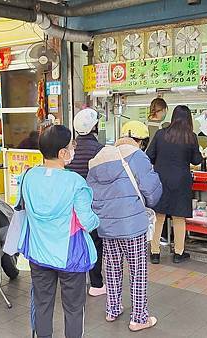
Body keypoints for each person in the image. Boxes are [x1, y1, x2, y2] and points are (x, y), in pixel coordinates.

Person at [17, 125, 100, 338]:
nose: (74, 148)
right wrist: (97, 219)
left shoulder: (28, 176)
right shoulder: (75, 182)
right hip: (70, 257)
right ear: (63, 153)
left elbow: (23, 207)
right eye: (72, 145)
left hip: (38, 253)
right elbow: (87, 222)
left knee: (42, 304)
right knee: (73, 308)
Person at [87, 121, 162, 332]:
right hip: (132, 226)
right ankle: (139, 317)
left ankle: (113, 308)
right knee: (138, 271)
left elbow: (93, 195)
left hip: (107, 226)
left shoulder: (100, 158)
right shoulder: (138, 157)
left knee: (111, 268)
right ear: (141, 141)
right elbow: (152, 192)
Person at [147, 105, 203, 264]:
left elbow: (149, 156)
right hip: (181, 181)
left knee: (159, 216)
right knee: (179, 217)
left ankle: (155, 252)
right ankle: (179, 253)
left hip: (161, 179)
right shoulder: (190, 137)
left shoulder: (160, 134)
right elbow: (196, 160)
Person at [65, 108, 106, 297]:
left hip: (71, 206)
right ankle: (96, 283)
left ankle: (75, 281)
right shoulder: (99, 151)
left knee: (75, 241)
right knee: (96, 242)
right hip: (91, 205)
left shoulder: (69, 150)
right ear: (94, 127)